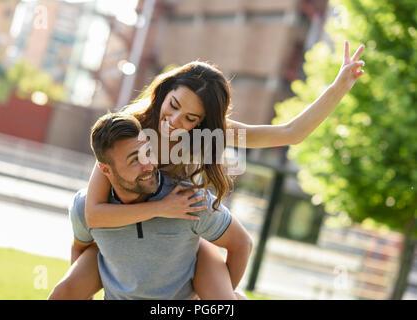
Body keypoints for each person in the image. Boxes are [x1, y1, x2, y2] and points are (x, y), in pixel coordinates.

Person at [50, 40, 365, 299]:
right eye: (173, 106)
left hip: (185, 237)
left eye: (190, 118)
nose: (175, 122)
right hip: (126, 236)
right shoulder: (132, 127)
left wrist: (341, 84)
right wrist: (162, 207)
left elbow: (290, 133)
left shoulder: (216, 134)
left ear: (203, 122)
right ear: (165, 91)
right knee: (64, 290)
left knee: (224, 300)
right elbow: (95, 213)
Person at [49, 114, 253, 299]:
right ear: (105, 169)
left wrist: (219, 296)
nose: (148, 164)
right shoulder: (86, 208)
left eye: (148, 151)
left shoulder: (186, 200)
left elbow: (242, 243)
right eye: (134, 160)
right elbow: (79, 248)